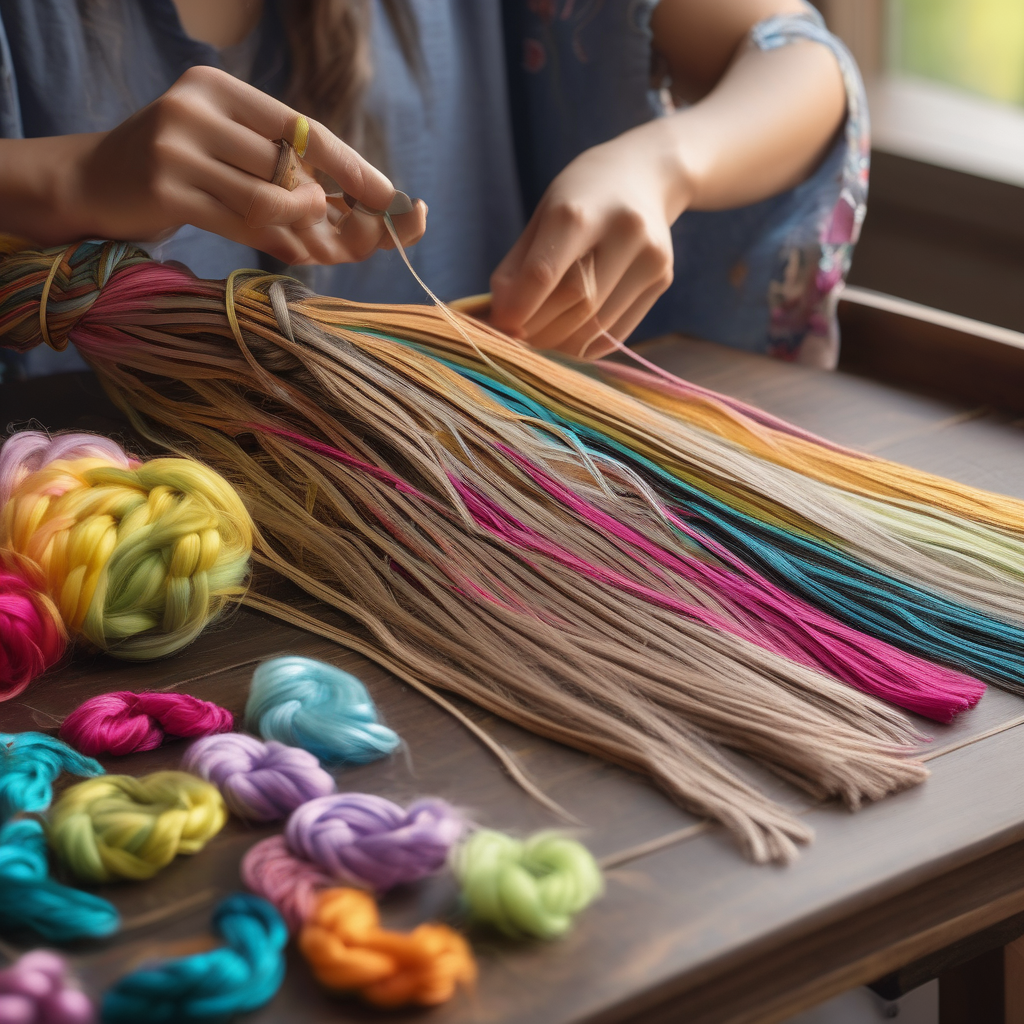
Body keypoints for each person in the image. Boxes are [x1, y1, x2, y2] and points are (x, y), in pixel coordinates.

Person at [0, 0, 861, 381]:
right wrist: (62, 179)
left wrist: (664, 164)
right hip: (104, 561)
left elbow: (797, 62)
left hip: (462, 510)